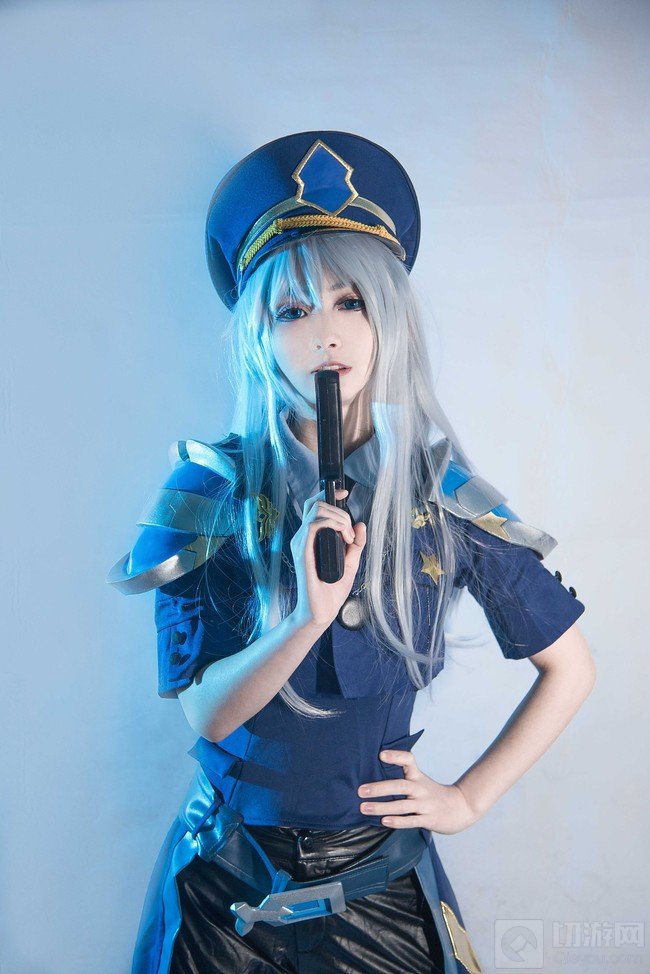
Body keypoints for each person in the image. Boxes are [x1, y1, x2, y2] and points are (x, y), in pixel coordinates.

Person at [107, 131, 595, 974]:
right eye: (293, 312)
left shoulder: (442, 495)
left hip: (381, 886)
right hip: (224, 886)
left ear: (387, 318)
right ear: (259, 336)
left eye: (351, 302)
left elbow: (571, 668)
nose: (325, 335)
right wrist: (304, 619)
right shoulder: (210, 492)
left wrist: (468, 799)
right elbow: (206, 714)